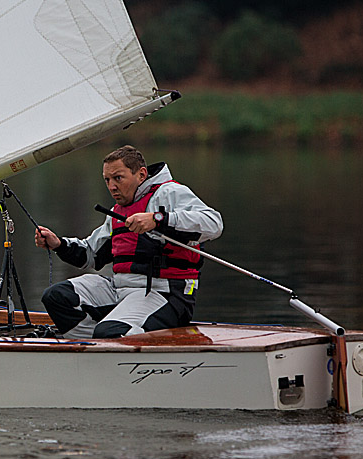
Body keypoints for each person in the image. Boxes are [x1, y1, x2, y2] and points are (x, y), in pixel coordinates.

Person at [34, 145, 223, 338]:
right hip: (120, 290)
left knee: (110, 331)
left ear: (141, 175)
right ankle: (95, 347)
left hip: (165, 293)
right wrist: (58, 244)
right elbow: (91, 255)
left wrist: (158, 219)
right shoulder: (117, 211)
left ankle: (111, 339)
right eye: (107, 180)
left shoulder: (170, 192)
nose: (111, 187)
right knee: (57, 297)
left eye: (118, 178)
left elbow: (214, 223)